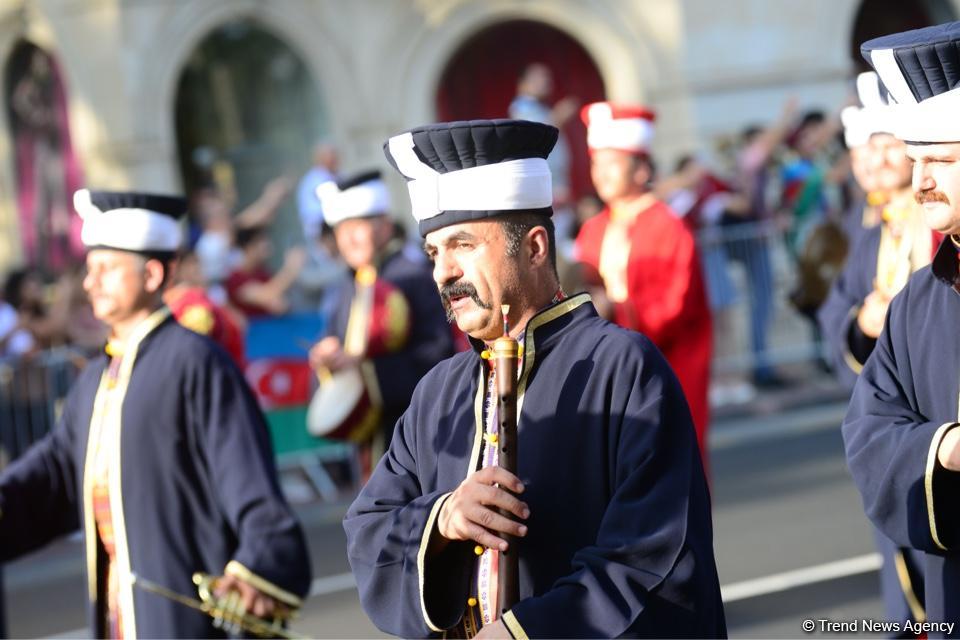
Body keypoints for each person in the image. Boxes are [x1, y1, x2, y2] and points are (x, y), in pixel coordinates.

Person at [344, 119, 724, 638]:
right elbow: (368, 529)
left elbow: (653, 554)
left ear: (536, 248)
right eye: (434, 252)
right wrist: (445, 519)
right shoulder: (438, 392)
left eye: (462, 245)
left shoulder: (623, 367)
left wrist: (528, 631)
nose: (442, 273)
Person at [0, 189, 311, 638]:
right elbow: (52, 477)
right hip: (118, 613)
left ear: (151, 274)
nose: (90, 284)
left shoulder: (195, 361)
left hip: (181, 616)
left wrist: (258, 563)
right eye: (90, 270)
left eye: (105, 270)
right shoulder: (95, 380)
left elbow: (247, 478)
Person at [844, 21, 960, 631]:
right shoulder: (920, 298)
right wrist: (943, 447)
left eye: (938, 159)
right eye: (915, 161)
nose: (920, 182)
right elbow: (868, 430)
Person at [819, 71, 930, 626]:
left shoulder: (933, 220)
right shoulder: (868, 227)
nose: (875, 161)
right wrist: (863, 321)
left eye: (889, 147)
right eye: (866, 149)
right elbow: (836, 311)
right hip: (895, 415)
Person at [573, 102, 713, 470]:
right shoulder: (593, 228)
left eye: (611, 163)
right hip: (608, 367)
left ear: (641, 170)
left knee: (668, 463)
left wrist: (613, 313)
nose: (600, 174)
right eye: (595, 163)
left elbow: (673, 307)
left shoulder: (668, 227)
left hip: (667, 364)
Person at [308, 170, 454, 473]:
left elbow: (437, 357)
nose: (348, 238)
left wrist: (366, 370)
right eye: (340, 230)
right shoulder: (347, 288)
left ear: (385, 226)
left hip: (417, 435)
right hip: (370, 440)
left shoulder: (411, 278)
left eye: (357, 226)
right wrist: (327, 361)